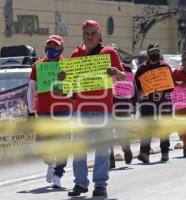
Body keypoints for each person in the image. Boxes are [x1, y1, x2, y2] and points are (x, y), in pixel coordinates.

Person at [66, 20, 125, 198]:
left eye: (93, 33)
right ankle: (80, 183)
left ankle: (100, 185)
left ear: (99, 35)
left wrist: (117, 73)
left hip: (103, 109)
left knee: (101, 150)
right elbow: (67, 85)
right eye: (86, 34)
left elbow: (124, 78)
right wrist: (62, 77)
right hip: (80, 110)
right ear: (82, 35)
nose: (90, 37)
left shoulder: (109, 53)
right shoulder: (76, 54)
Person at [27, 35, 71, 188]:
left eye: (55, 46)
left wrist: (65, 86)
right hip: (44, 110)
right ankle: (50, 162)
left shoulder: (68, 65)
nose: (52, 49)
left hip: (63, 110)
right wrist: (31, 111)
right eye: (49, 46)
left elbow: (74, 91)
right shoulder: (38, 65)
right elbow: (31, 88)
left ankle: (59, 173)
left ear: (61, 48)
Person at [134, 43, 173, 163]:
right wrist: (141, 93)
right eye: (152, 51)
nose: (154, 53)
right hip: (147, 102)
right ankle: (144, 153)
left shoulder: (165, 66)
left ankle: (165, 152)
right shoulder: (142, 68)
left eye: (157, 51)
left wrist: (163, 90)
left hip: (163, 102)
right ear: (148, 53)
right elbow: (136, 84)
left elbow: (171, 85)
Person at [106, 43, 134, 168]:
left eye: (115, 53)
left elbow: (133, 88)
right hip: (106, 104)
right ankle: (110, 156)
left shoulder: (126, 69)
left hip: (122, 104)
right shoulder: (101, 70)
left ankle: (126, 148)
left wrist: (134, 103)